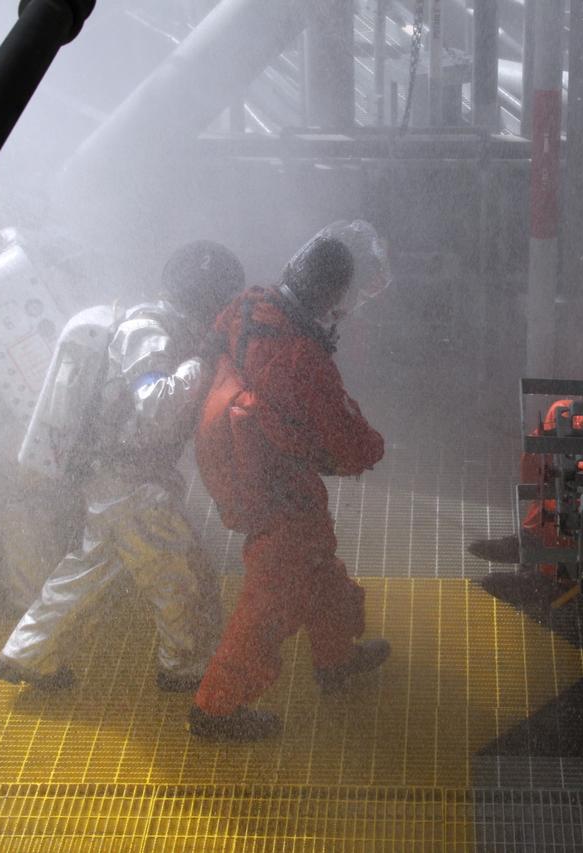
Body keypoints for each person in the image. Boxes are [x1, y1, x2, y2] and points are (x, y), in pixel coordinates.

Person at [0, 240, 245, 691]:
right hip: (132, 482)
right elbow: (157, 405)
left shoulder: (159, 324)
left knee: (87, 571)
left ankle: (29, 655)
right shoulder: (151, 332)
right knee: (178, 574)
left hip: (119, 478)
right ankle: (185, 666)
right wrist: (202, 361)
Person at [187, 221, 390, 741]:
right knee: (272, 595)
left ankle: (336, 656)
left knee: (315, 562)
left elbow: (212, 346)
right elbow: (351, 442)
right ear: (332, 293)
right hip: (272, 485)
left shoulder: (251, 306)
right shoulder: (300, 358)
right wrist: (373, 449)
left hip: (234, 458)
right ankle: (215, 709)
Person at [467, 397, 583, 617]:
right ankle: (530, 545)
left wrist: (572, 472)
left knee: (571, 495)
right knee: (553, 487)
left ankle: (543, 580)